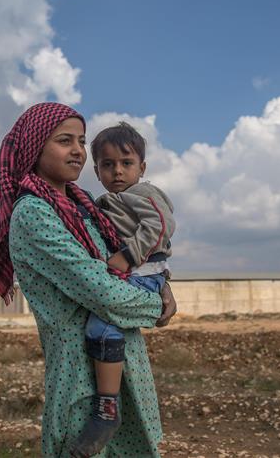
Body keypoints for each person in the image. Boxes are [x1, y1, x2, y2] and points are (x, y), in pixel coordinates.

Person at [0, 102, 176, 457]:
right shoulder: (34, 212)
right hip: (80, 374)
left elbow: (132, 257)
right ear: (35, 146)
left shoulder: (87, 206)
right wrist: (157, 301)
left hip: (125, 360)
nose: (77, 151)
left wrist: (164, 283)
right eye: (64, 141)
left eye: (82, 142)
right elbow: (105, 293)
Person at [82, 122, 178, 449]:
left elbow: (162, 225)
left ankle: (106, 408)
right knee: (100, 331)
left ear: (142, 167)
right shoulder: (110, 200)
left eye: (126, 163)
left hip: (142, 273)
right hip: (138, 273)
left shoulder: (142, 193)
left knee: (103, 328)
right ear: (96, 170)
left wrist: (127, 255)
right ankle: (109, 402)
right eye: (108, 165)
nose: (117, 172)